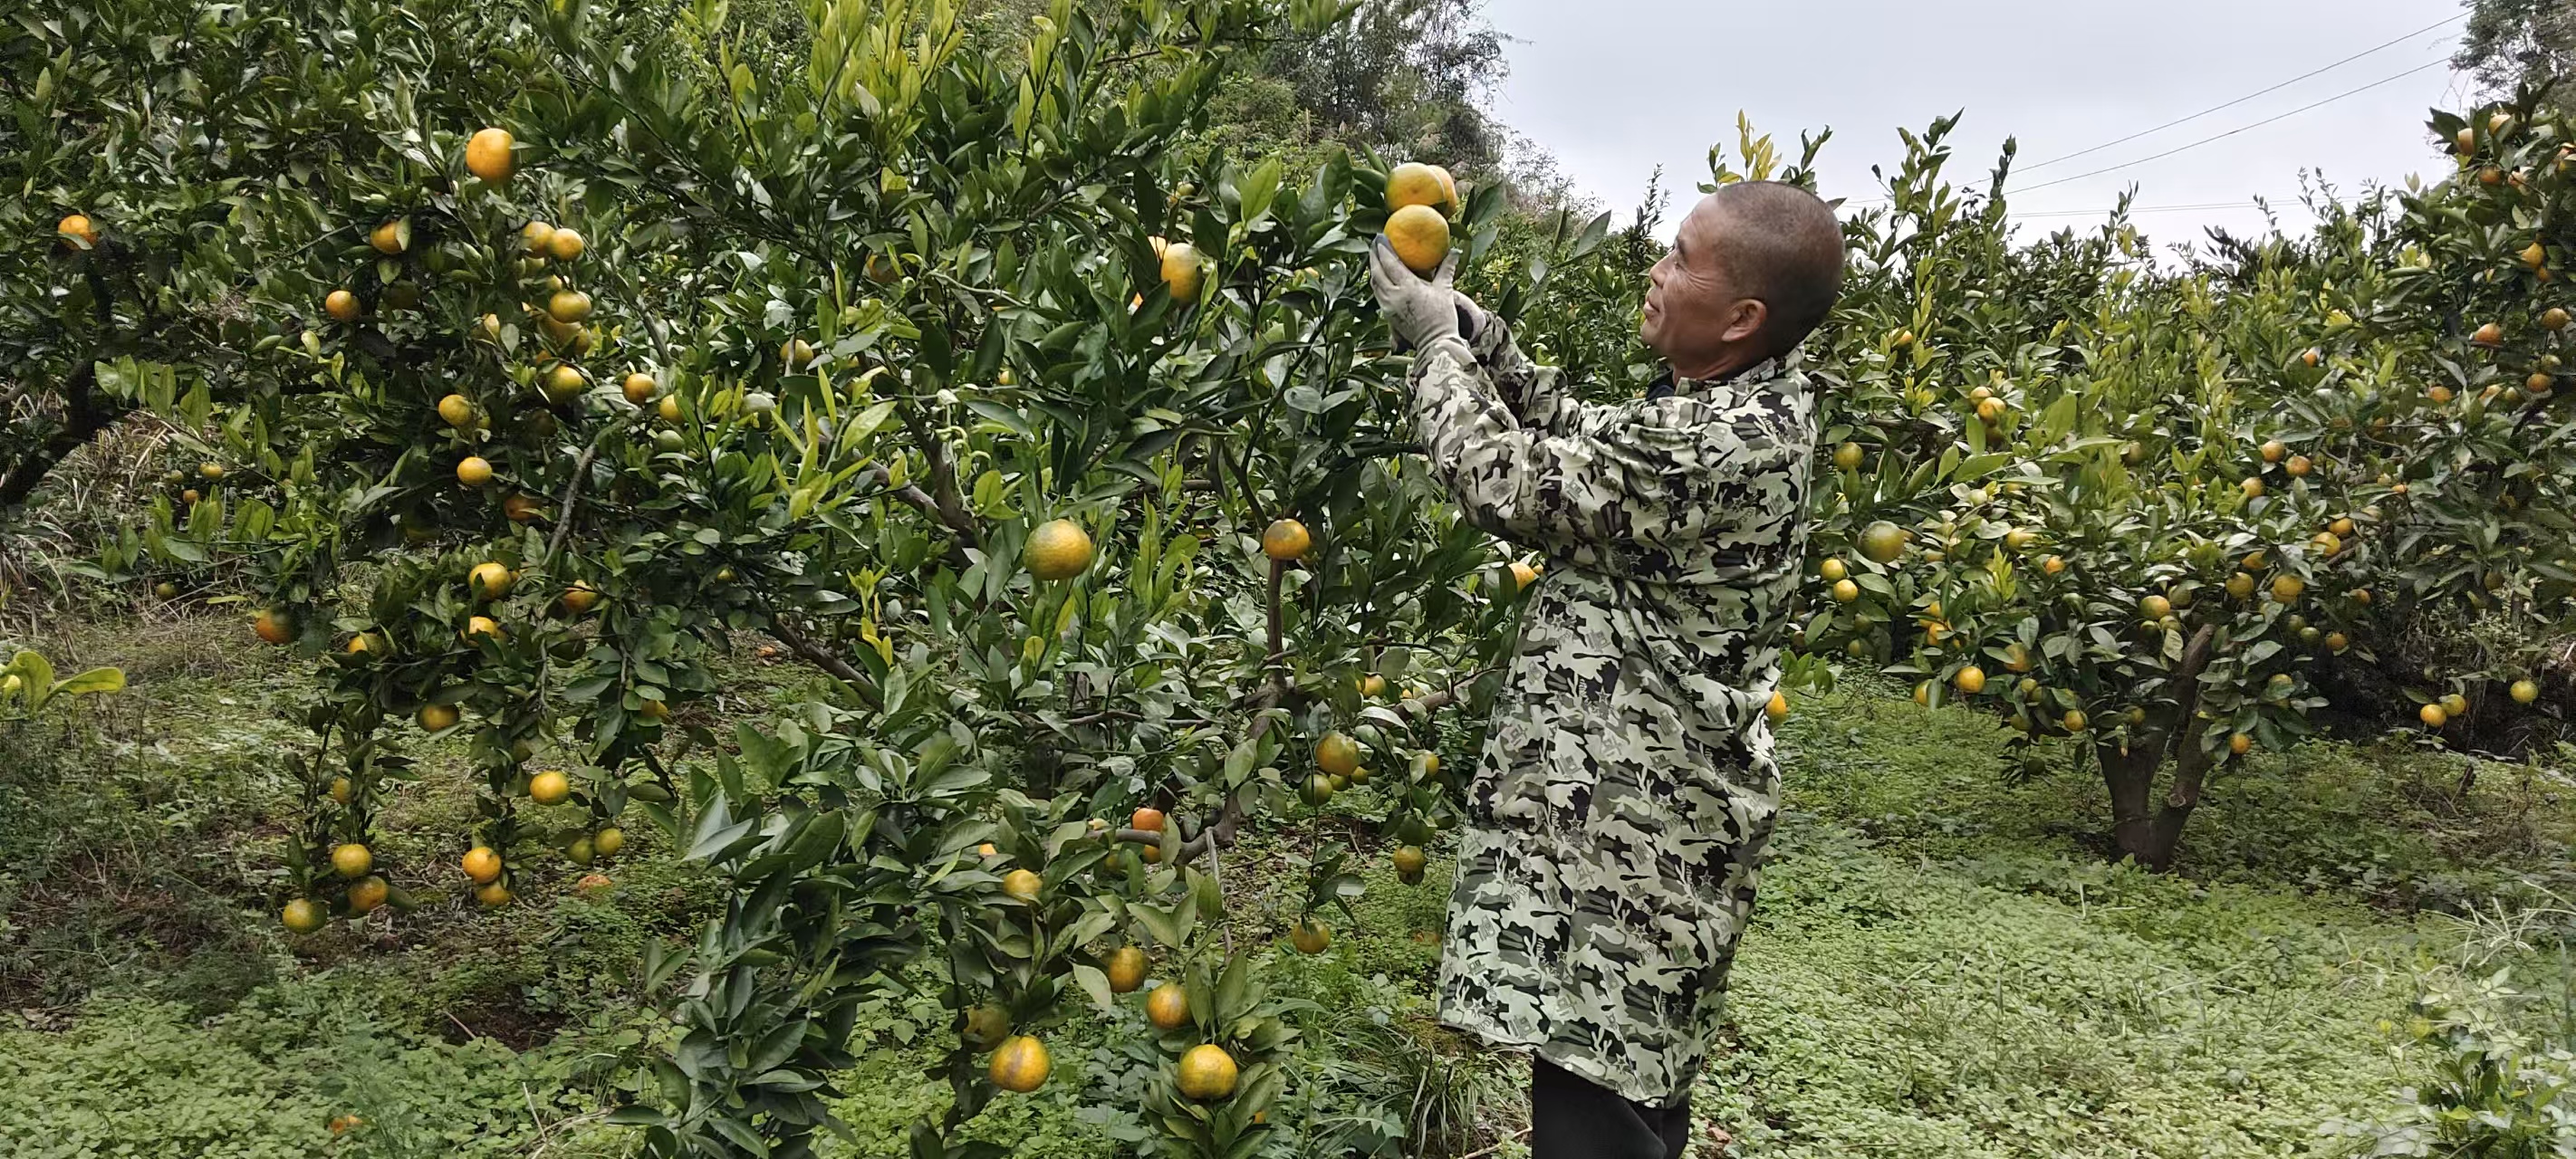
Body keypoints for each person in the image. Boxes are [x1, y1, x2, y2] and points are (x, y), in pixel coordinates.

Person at [1370, 180, 1846, 1159]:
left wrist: (1434, 345)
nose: (1656, 271)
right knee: (1623, 1069)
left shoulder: (1722, 440)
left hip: (1636, 827)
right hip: (1643, 809)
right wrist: (1484, 337)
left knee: (1598, 1090)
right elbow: (1596, 437)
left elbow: (1508, 481)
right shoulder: (1742, 397)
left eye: (1681, 259)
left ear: (1742, 317)